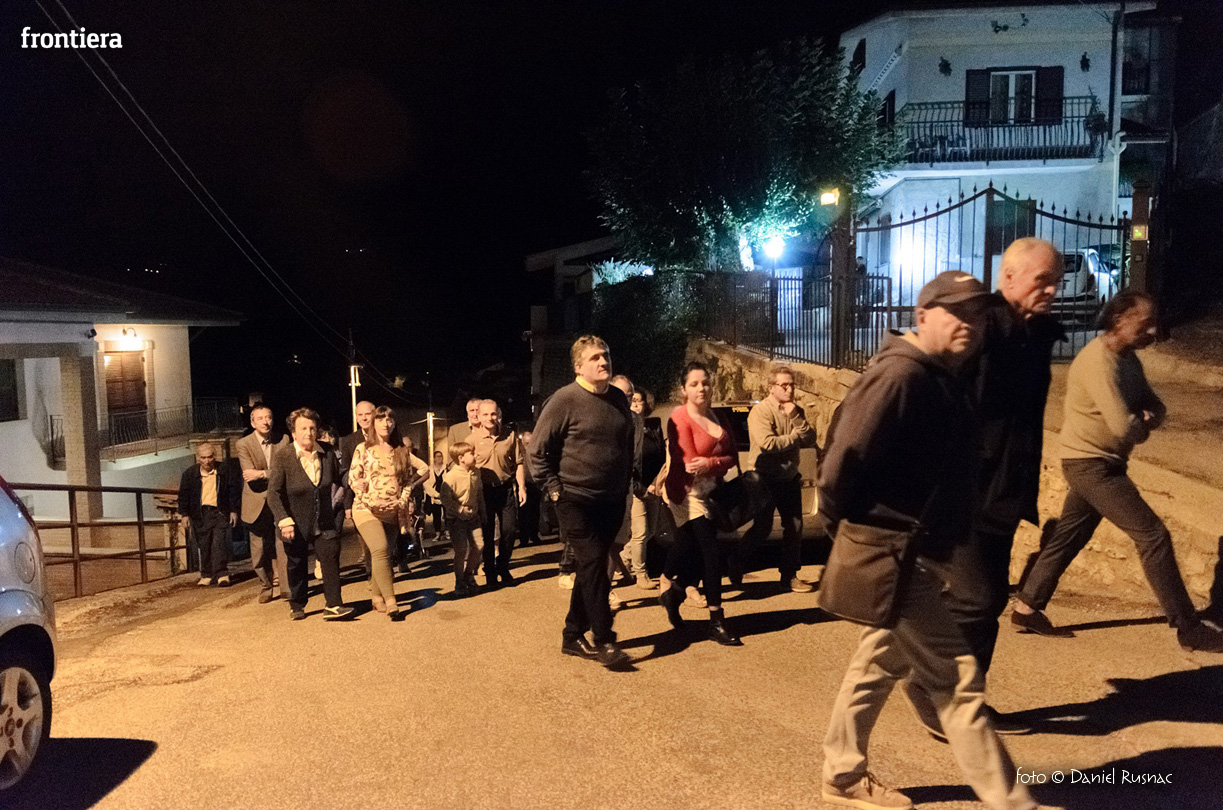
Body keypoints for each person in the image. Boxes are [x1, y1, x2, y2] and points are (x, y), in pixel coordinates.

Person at [819, 271, 1034, 810]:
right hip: (892, 553)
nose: (971, 324)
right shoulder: (901, 376)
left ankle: (842, 774)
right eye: (957, 313)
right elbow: (841, 464)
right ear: (922, 315)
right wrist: (851, 534)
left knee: (878, 661)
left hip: (917, 553)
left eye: (978, 315)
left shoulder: (940, 376)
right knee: (957, 678)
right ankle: (1011, 800)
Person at [902, 237, 1067, 739]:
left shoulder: (1032, 334)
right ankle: (931, 686)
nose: (1053, 290)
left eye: (1057, 281)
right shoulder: (983, 327)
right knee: (977, 596)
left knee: (989, 601)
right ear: (1009, 277)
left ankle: (964, 700)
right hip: (965, 490)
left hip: (1004, 490)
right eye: (1043, 280)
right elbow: (936, 392)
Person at [1011, 291, 1223, 652]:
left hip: (1100, 461)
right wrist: (1143, 422)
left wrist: (1145, 417)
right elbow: (1124, 427)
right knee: (1153, 535)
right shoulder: (1100, 363)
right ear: (1120, 319)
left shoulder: (1127, 359)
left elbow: (1156, 406)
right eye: (1146, 324)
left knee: (1070, 536)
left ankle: (1027, 606)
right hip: (1092, 465)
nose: (1153, 331)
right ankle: (1188, 628)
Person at [529, 334, 635, 669]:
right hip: (574, 498)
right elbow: (537, 451)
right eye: (595, 358)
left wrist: (626, 483)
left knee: (592, 566)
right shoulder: (564, 400)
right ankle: (604, 639)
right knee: (594, 564)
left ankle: (572, 634)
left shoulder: (617, 399)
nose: (603, 362)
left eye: (606, 355)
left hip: (611, 499)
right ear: (579, 366)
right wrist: (554, 489)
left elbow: (626, 444)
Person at [658, 362, 742, 646]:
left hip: (712, 494)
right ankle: (717, 621)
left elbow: (733, 457)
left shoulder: (719, 416)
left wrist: (711, 463)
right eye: (694, 384)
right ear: (684, 390)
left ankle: (673, 594)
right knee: (712, 553)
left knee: (692, 553)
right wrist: (713, 463)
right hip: (687, 494)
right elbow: (690, 463)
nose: (701, 388)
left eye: (705, 382)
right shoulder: (679, 417)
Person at [737, 364, 817, 593]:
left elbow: (810, 438)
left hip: (789, 478)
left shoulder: (796, 411)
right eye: (784, 385)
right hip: (764, 479)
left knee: (794, 526)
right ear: (771, 387)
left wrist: (796, 417)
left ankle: (789, 575)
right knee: (762, 528)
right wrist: (794, 437)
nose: (789, 390)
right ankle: (737, 561)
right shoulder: (761, 412)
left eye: (792, 385)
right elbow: (768, 443)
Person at [268, 408, 354, 621]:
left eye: (312, 428)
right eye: (303, 428)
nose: (308, 432)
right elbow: (274, 493)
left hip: (324, 520)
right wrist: (284, 520)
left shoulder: (327, 451)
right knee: (297, 563)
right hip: (294, 522)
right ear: (293, 432)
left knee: (330, 558)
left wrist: (353, 480)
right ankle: (297, 604)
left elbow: (340, 474)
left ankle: (333, 605)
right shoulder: (283, 457)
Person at [348, 406, 417, 618]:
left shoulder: (401, 450)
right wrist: (370, 500)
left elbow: (408, 481)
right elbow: (353, 480)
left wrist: (401, 502)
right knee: (379, 549)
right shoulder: (363, 449)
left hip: (392, 511)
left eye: (389, 419)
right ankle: (391, 601)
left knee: (384, 554)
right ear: (374, 423)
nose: (385, 423)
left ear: (394, 423)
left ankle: (377, 597)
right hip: (366, 509)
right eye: (380, 419)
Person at [235, 404, 290, 603]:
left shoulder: (283, 440)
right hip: (255, 502)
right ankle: (266, 586)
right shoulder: (243, 444)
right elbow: (249, 476)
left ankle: (286, 587)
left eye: (268, 417)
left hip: (279, 499)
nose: (265, 422)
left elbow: (286, 470)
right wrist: (268, 474)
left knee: (283, 544)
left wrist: (262, 474)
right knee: (259, 549)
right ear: (252, 423)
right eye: (260, 418)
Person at [469, 399, 526, 587]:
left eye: (493, 414)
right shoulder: (472, 440)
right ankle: (490, 571)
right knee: (486, 533)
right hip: (484, 491)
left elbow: (518, 462)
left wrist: (522, 487)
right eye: (485, 414)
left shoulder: (509, 435)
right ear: (478, 416)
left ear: (498, 414)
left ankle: (503, 566)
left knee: (509, 531)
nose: (490, 418)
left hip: (505, 488)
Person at [178, 442, 240, 587]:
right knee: (204, 544)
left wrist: (233, 510)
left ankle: (222, 574)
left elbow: (233, 491)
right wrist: (184, 514)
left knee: (219, 543)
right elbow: (184, 495)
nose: (207, 461)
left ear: (214, 456)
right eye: (203, 457)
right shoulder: (189, 474)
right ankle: (206, 574)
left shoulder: (224, 470)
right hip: (200, 514)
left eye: (210, 457)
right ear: (198, 458)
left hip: (219, 512)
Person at [622, 387, 664, 591]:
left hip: (655, 485)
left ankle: (621, 559)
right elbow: (628, 462)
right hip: (636, 487)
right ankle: (641, 574)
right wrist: (639, 488)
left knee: (652, 531)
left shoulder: (654, 426)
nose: (637, 404)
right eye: (633, 401)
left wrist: (658, 482)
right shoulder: (626, 428)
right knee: (640, 531)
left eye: (640, 401)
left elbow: (661, 455)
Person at [439, 441, 486, 597]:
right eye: (471, 453)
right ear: (461, 458)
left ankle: (468, 575)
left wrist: (483, 512)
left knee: (479, 545)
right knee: (461, 550)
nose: (475, 455)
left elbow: (479, 493)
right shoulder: (451, 476)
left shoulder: (476, 473)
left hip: (473, 517)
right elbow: (445, 498)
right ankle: (459, 582)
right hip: (456, 519)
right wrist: (459, 509)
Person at [517, 429, 541, 547]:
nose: (529, 446)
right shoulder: (519, 453)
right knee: (523, 513)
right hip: (523, 485)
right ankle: (524, 538)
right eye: (527, 443)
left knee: (535, 511)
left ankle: (534, 535)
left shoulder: (536, 451)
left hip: (535, 484)